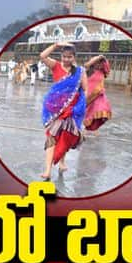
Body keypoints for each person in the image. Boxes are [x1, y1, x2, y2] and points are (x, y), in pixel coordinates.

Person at [38, 42, 88, 180]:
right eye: (64, 56)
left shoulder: (80, 72)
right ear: (61, 56)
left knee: (65, 137)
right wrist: (56, 45)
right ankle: (47, 170)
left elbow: (84, 90)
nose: (66, 59)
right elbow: (42, 56)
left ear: (74, 57)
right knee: (51, 137)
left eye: (69, 57)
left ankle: (62, 162)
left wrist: (80, 109)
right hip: (55, 109)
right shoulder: (56, 66)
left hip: (71, 110)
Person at [82, 54, 112, 135]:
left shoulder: (102, 72)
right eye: (97, 63)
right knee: (88, 113)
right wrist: (98, 58)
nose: (98, 65)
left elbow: (107, 66)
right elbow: (87, 64)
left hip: (99, 95)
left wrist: (103, 58)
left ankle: (95, 128)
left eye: (100, 63)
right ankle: (87, 129)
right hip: (89, 96)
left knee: (101, 110)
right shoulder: (88, 71)